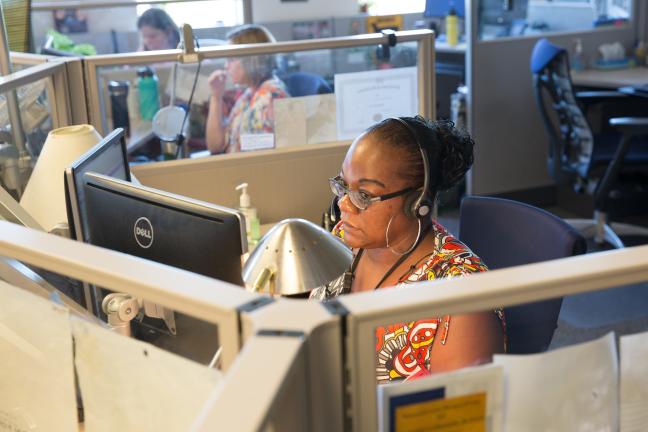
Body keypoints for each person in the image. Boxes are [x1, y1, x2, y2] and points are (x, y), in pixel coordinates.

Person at [310, 116, 506, 384]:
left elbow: (462, 416)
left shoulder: (460, 302)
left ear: (418, 202)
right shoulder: (343, 241)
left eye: (364, 195)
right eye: (343, 186)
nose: (344, 204)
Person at [205, 24, 289, 154]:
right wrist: (216, 96)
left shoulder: (271, 98)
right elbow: (216, 145)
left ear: (251, 60)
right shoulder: (250, 94)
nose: (226, 66)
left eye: (231, 59)